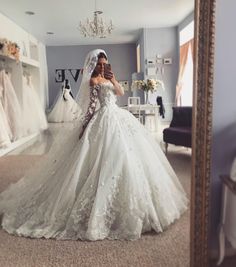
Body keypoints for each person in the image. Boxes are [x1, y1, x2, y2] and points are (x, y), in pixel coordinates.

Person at [0, 49, 188, 241]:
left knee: (129, 155)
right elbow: (91, 106)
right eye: (99, 64)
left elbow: (120, 92)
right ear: (93, 65)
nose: (102, 67)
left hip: (118, 116)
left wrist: (113, 79)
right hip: (103, 118)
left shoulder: (108, 77)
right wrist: (84, 126)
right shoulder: (93, 81)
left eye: (105, 63)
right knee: (99, 158)